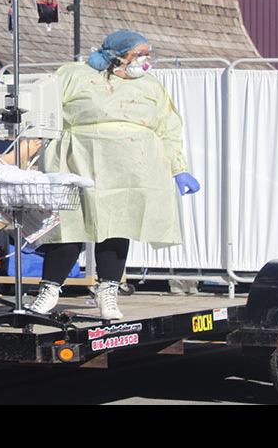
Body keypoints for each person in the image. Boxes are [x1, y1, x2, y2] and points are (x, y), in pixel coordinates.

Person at [28, 31, 200, 320]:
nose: (145, 60)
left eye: (148, 53)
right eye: (139, 54)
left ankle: (107, 292)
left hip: (129, 169)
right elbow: (43, 111)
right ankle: (50, 290)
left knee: (117, 227)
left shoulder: (150, 86)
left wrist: (178, 168)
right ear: (117, 55)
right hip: (79, 161)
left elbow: (168, 128)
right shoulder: (75, 76)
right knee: (70, 226)